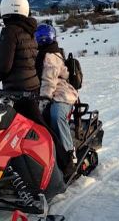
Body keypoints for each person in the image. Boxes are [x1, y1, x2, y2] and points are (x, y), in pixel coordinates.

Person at [0, 0, 43, 124]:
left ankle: (59, 145)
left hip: (18, 90)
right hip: (33, 86)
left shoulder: (10, 32)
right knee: (30, 126)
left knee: (38, 127)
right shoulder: (29, 30)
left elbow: (4, 65)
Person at [34, 24, 78, 174]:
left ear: (52, 37)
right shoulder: (42, 53)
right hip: (50, 91)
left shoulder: (50, 55)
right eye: (40, 36)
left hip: (62, 93)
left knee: (56, 115)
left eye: (46, 36)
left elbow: (49, 82)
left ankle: (68, 155)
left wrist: (43, 102)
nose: (43, 39)